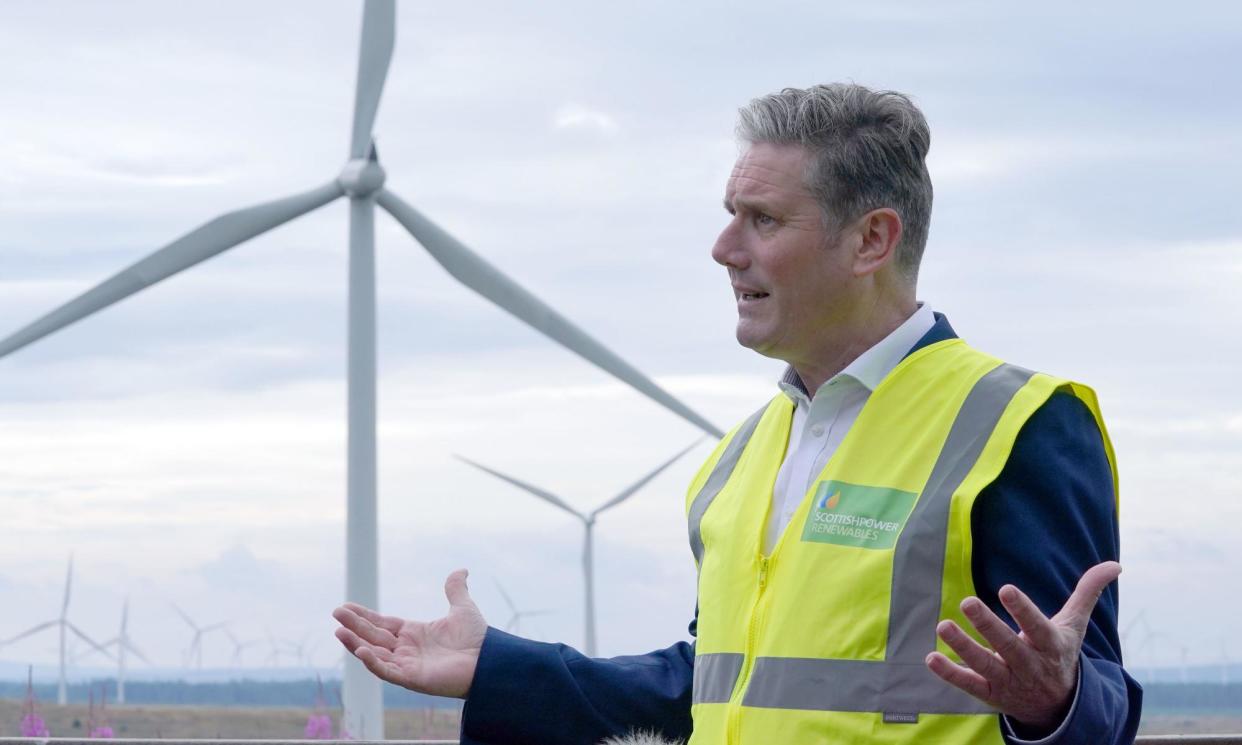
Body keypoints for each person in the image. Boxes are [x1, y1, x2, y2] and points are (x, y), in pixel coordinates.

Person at [333, 83, 1142, 744]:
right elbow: (709, 686)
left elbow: (1099, 700)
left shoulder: (1015, 425)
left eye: (763, 219)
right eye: (730, 213)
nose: (724, 247)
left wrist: (1056, 699)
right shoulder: (742, 456)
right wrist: (499, 666)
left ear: (871, 241)